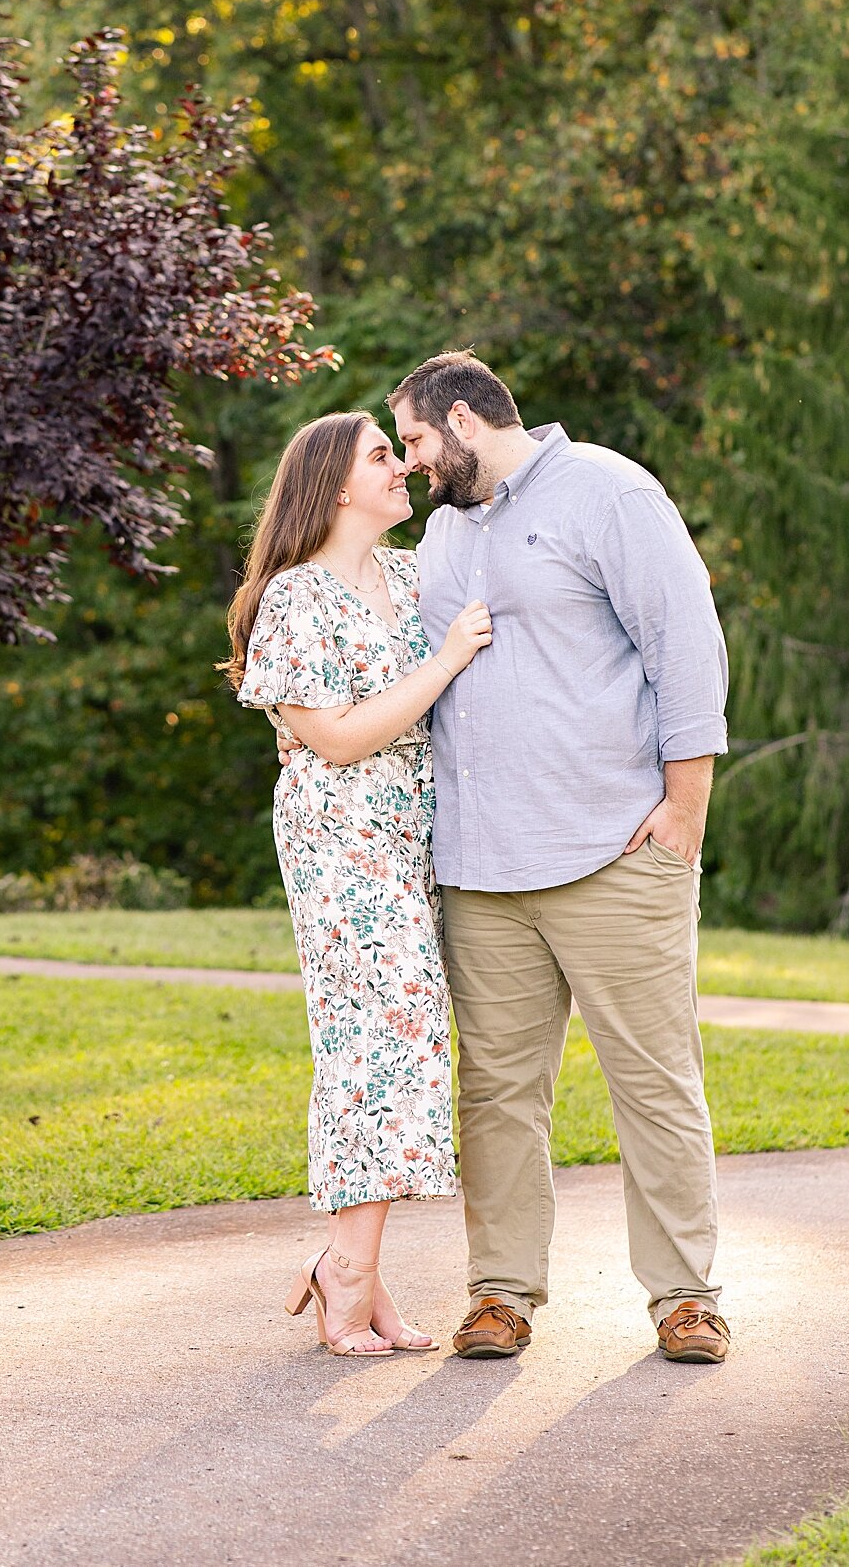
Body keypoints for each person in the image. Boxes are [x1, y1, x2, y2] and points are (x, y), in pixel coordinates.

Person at [387, 351, 733, 1366]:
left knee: (654, 1082)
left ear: (463, 418)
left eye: (412, 440)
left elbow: (685, 645)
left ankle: (685, 1298)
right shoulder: (443, 536)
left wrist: (684, 810)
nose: (410, 463)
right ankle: (500, 1295)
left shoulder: (611, 492)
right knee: (495, 1095)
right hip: (482, 871)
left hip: (615, 851)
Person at [222, 409, 493, 1357]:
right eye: (383, 455)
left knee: (403, 1039)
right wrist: (450, 656)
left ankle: (357, 1271)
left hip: (415, 834)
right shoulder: (294, 599)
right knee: (374, 1038)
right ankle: (347, 1272)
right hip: (339, 837)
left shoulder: (416, 579)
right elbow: (332, 736)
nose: (401, 468)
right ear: (335, 484)